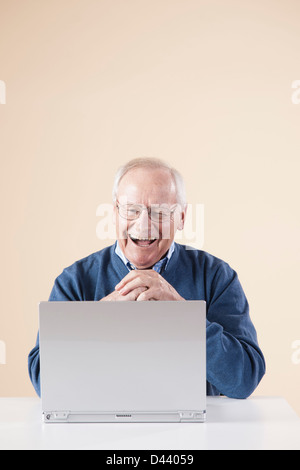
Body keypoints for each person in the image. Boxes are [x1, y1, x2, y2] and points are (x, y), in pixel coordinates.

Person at [28, 157, 265, 398]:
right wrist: (97, 318)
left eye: (160, 212)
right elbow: (45, 383)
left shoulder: (216, 277)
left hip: (193, 431)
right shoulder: (75, 281)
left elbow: (243, 380)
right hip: (100, 430)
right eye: (131, 210)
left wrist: (183, 315)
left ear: (181, 217)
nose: (143, 224)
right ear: (114, 214)